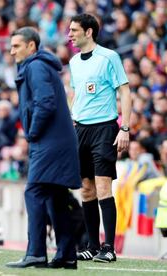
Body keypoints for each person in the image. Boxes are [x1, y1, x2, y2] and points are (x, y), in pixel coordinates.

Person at [5, 27, 81, 269]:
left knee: (34, 191)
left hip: (49, 141)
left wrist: (33, 132)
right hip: (57, 140)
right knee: (55, 196)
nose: (11, 50)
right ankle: (67, 254)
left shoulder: (36, 66)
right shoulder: (39, 65)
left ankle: (36, 252)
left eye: (17, 46)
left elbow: (45, 102)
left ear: (31, 46)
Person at [68, 13, 132, 263]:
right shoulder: (73, 62)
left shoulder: (109, 57)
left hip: (104, 128)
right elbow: (77, 94)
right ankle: (92, 245)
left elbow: (124, 92)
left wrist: (124, 128)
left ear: (88, 32)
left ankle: (109, 247)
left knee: (103, 185)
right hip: (80, 129)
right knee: (86, 189)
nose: (70, 35)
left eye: (74, 30)